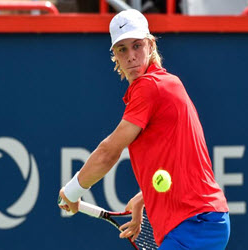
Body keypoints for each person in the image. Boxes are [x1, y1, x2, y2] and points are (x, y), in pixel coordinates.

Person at [58, 9, 230, 249]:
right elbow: (181, 161)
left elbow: (109, 151)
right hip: (204, 220)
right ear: (114, 56)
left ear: (150, 46)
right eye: (122, 49)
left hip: (195, 223)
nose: (131, 56)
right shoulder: (168, 83)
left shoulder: (148, 88)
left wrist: (72, 190)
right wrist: (143, 198)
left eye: (137, 45)